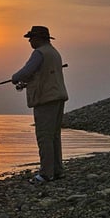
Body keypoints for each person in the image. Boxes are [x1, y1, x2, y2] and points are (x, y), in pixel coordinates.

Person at [11, 26, 68, 183]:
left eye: (31, 38)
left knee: (44, 136)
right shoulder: (54, 52)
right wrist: (26, 82)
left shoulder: (39, 53)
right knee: (54, 136)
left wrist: (15, 78)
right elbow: (40, 74)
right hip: (58, 96)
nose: (29, 41)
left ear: (39, 38)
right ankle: (57, 171)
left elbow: (26, 71)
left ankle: (45, 174)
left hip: (46, 99)